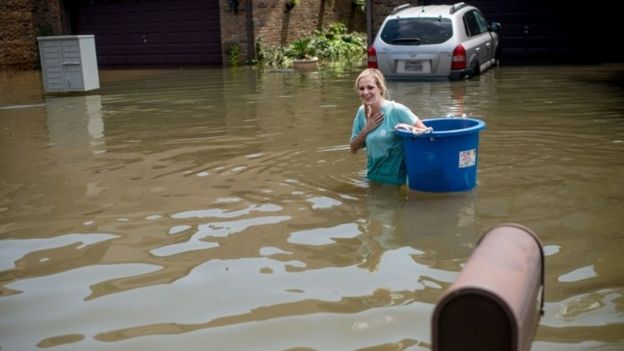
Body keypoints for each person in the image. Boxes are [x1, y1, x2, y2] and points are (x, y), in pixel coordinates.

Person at [350, 68, 428, 185]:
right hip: (373, 178)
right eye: (362, 89)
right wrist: (366, 129)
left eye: (370, 87)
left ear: (380, 88)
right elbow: (353, 148)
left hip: (397, 182)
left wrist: (409, 129)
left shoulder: (396, 110)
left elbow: (427, 133)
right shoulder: (362, 112)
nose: (365, 92)